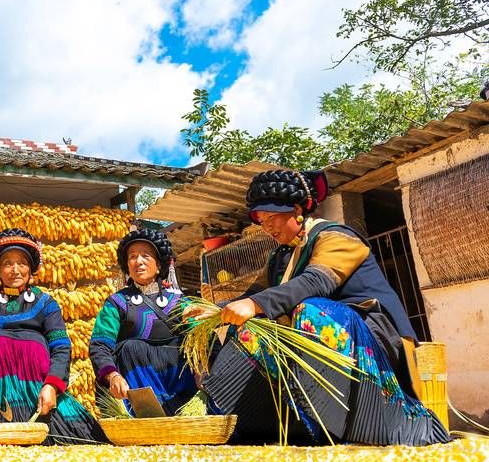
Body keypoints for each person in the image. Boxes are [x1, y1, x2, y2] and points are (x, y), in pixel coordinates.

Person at [197, 169, 449, 445]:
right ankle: (253, 423)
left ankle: (342, 428)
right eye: (262, 220)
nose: (267, 227)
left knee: (311, 312)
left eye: (272, 217)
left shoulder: (336, 237)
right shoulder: (279, 257)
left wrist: (255, 304)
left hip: (371, 338)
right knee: (246, 328)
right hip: (319, 345)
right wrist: (212, 311)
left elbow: (315, 281)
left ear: (296, 211)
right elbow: (253, 295)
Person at [0, 228, 103, 444]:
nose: (15, 270)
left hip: (38, 393)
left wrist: (52, 385)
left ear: (31, 268)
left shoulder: (46, 303)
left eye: (22, 263)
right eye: (7, 263)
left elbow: (61, 347)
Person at [89, 228, 196, 415]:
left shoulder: (180, 302)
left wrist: (201, 371)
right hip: (138, 390)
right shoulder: (117, 303)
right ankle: (148, 415)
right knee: (131, 348)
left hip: (180, 386)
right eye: (132, 256)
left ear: (159, 264)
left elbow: (201, 339)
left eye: (146, 255)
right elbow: (100, 345)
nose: (138, 261)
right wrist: (113, 376)